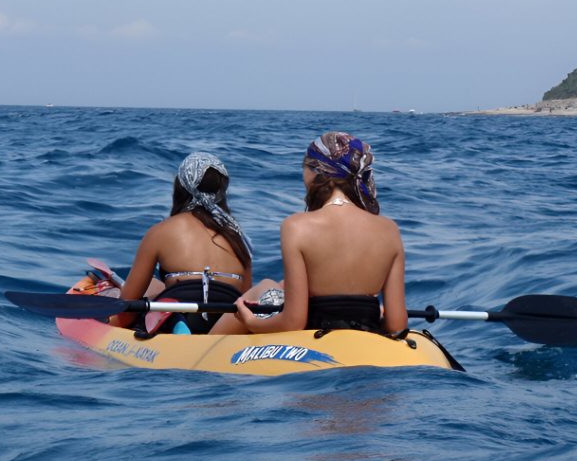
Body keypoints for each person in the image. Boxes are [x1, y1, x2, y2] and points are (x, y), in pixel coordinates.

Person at [211, 131, 407, 335]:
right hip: (369, 334)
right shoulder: (389, 229)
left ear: (317, 170)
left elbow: (293, 322)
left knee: (267, 287)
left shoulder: (296, 226)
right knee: (278, 285)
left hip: (315, 335)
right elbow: (396, 324)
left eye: (304, 167)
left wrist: (250, 321)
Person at [112, 152, 253, 333]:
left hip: (182, 319)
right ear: (222, 191)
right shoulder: (238, 237)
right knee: (157, 287)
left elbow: (128, 308)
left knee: (149, 296)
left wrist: (103, 323)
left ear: (181, 187)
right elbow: (245, 296)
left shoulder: (160, 231)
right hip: (227, 322)